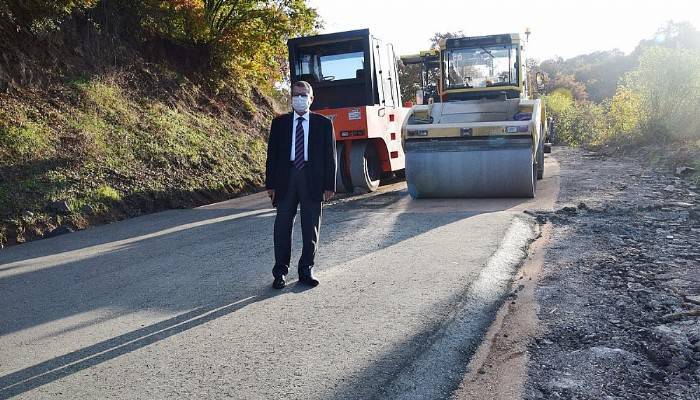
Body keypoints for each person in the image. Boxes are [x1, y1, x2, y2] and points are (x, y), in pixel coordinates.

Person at [265, 80, 336, 289]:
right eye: (296, 95)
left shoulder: (323, 124)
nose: (300, 98)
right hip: (286, 180)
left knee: (310, 227)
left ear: (311, 99)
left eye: (304, 95)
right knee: (282, 227)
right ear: (291, 98)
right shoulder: (279, 124)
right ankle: (280, 272)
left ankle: (306, 269)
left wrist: (329, 185)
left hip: (312, 180)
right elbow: (272, 156)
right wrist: (270, 184)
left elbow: (330, 157)